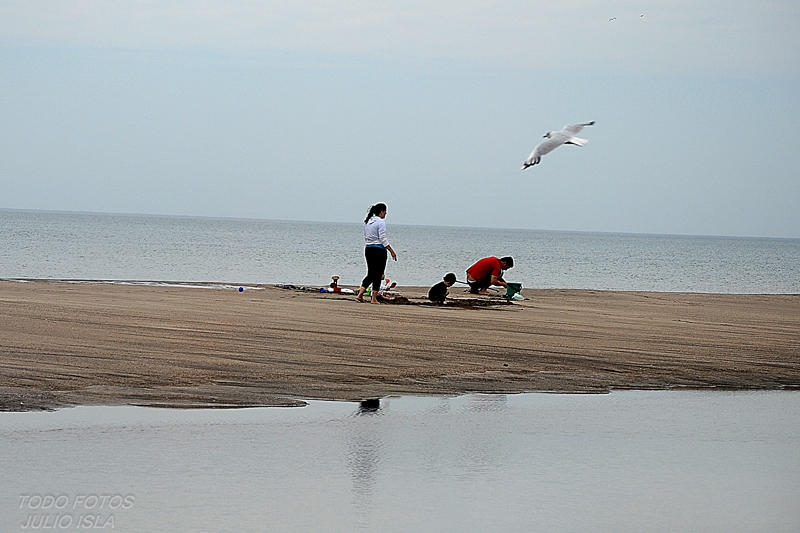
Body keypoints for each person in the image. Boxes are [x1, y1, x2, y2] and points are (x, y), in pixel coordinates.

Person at [356, 203, 397, 304]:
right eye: (385, 211)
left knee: (370, 273)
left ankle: (360, 294)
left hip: (368, 248)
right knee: (378, 274)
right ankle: (373, 298)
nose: (386, 213)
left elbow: (366, 236)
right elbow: (383, 238)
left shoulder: (367, 221)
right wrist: (391, 250)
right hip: (379, 250)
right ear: (381, 212)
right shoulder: (380, 222)